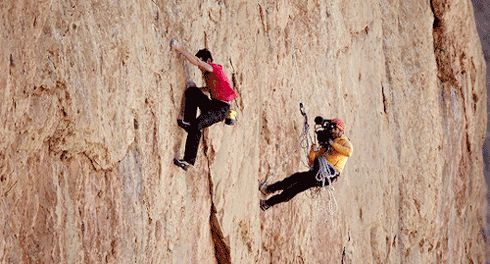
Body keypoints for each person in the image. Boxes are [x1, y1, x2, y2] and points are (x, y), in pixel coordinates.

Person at [170, 39, 238, 171]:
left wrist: (179, 48)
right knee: (192, 91)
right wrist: (198, 89)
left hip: (221, 109)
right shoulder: (209, 75)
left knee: (198, 125)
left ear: (207, 61)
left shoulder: (214, 68)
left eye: (201, 63)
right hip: (214, 104)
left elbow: (197, 62)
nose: (199, 67)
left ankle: (188, 161)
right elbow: (211, 89)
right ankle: (188, 123)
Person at [259, 118, 353, 211]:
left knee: (296, 187)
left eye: (335, 129)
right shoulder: (328, 143)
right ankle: (268, 191)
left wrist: (332, 143)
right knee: (295, 178)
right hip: (319, 171)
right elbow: (312, 160)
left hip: (327, 174)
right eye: (332, 129)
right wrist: (313, 150)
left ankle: (268, 201)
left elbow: (349, 152)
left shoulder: (345, 142)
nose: (332, 131)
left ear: (341, 131)